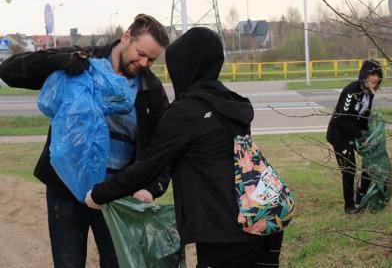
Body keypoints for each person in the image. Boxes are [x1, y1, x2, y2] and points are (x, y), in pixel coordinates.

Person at [85, 27, 284, 267]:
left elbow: (146, 167)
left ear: (185, 66)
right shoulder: (230, 104)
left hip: (223, 233)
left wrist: (98, 195)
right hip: (262, 224)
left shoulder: (185, 113)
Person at [0, 14, 171, 267]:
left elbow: (163, 146)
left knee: (117, 263)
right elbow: (9, 71)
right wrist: (57, 61)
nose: (144, 63)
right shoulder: (83, 60)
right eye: (141, 53)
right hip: (65, 192)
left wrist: (153, 187)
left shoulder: (151, 89)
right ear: (126, 37)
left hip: (116, 196)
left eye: (152, 59)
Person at [326, 59, 383, 214]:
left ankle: (361, 196)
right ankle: (349, 206)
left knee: (371, 161)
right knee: (349, 169)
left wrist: (367, 137)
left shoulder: (370, 93)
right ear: (364, 74)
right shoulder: (351, 90)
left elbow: (364, 117)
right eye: (372, 74)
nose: (375, 78)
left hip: (355, 134)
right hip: (339, 135)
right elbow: (343, 118)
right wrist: (358, 137)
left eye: (378, 74)